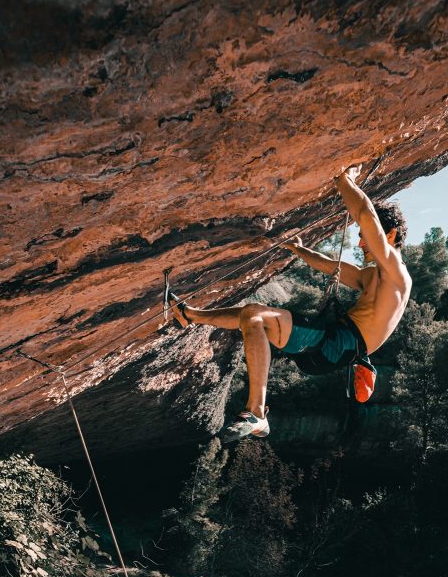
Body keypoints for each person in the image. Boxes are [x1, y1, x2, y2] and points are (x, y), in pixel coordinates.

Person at [170, 164, 412, 443]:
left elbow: (367, 215)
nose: (360, 245)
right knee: (253, 317)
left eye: (364, 239)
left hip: (339, 343)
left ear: (390, 235)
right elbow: (332, 266)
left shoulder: (396, 272)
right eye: (359, 239)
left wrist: (345, 180)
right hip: (332, 345)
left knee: (255, 316)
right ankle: (191, 315)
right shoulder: (374, 275)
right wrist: (299, 249)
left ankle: (257, 413)